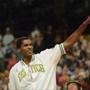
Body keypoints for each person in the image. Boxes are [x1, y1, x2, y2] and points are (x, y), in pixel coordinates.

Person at [8, 17, 90, 90]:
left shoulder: (46, 56)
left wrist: (84, 24)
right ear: (19, 50)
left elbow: (68, 43)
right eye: (25, 45)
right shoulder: (14, 70)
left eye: (30, 44)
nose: (29, 47)